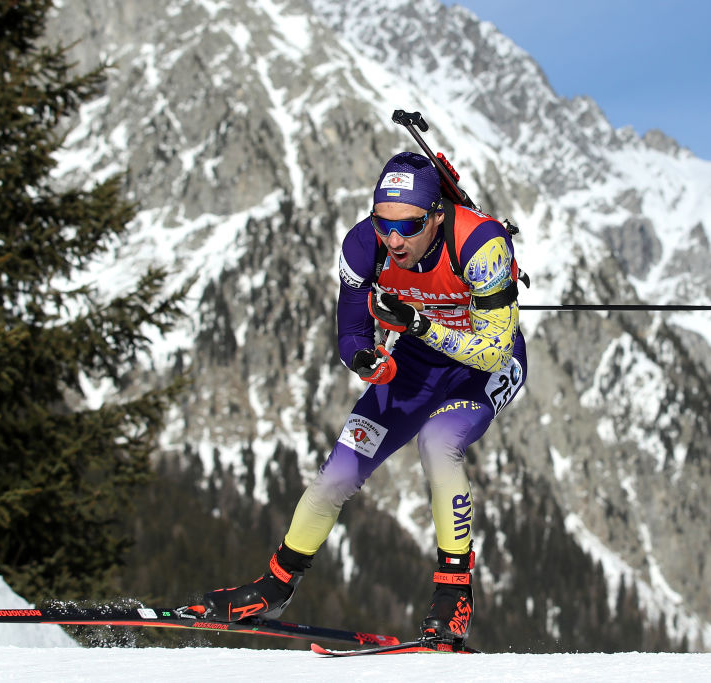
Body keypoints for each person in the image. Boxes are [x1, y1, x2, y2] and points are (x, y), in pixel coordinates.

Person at [201, 151, 527, 644]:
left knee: (438, 443)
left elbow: (493, 350)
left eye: (410, 226)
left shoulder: (481, 246)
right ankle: (275, 584)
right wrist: (364, 359)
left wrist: (418, 323)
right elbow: (351, 329)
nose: (394, 240)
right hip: (418, 362)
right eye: (383, 224)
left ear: (437, 216)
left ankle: (453, 594)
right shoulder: (362, 245)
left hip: (485, 368)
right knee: (341, 467)